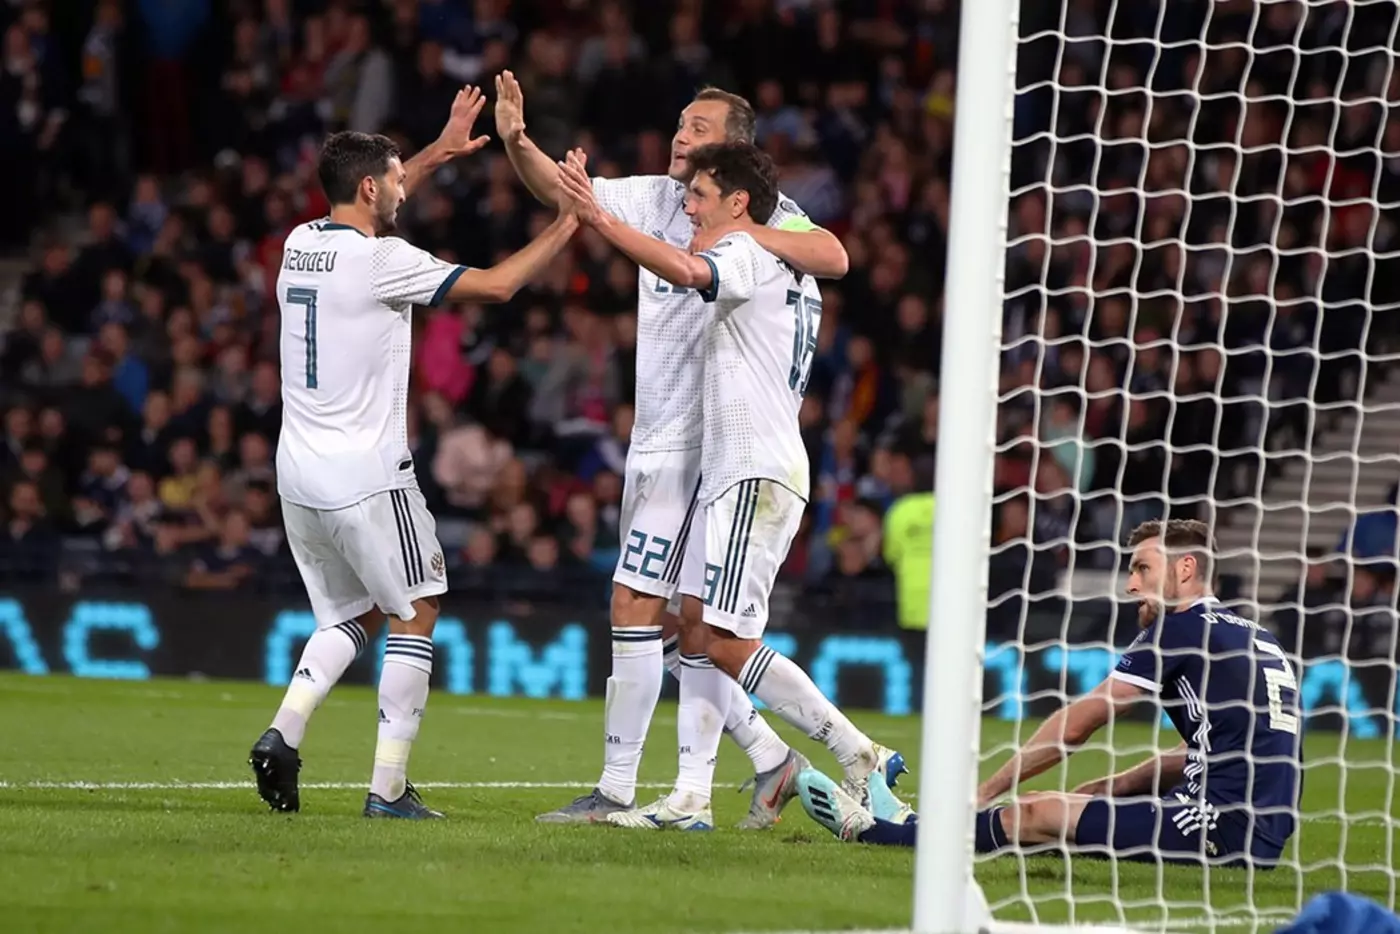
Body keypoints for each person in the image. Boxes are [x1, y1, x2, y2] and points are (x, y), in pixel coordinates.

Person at [496, 71, 857, 828]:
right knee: (674, 622)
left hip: (710, 442)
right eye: (680, 122)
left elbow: (831, 254)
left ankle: (637, 790)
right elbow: (566, 195)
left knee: (660, 611)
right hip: (657, 434)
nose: (679, 134)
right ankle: (764, 760)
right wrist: (518, 142)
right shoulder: (662, 199)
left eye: (697, 127)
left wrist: (744, 234)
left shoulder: (764, 220)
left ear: (731, 153)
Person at [249, 87, 581, 819]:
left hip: (297, 473)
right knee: (420, 604)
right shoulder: (385, 260)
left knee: (355, 613)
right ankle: (389, 789)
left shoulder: (298, 244)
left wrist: (436, 151)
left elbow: (370, 207)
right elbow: (497, 286)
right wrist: (568, 222)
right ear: (371, 188)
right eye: (396, 179)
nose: (406, 188)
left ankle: (284, 733)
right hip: (367, 474)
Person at [557, 141, 905, 830]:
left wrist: (602, 221)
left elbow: (690, 270)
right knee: (702, 629)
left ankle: (859, 752)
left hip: (753, 468)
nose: (686, 205)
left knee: (720, 638)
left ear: (739, 202)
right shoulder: (783, 256)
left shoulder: (746, 250)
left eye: (700, 195)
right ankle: (698, 794)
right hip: (748, 469)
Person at [795, 518, 1303, 869]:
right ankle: (920, 823)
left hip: (1217, 826)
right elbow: (1220, 745)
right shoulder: (1255, 635)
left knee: (1037, 813)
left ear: (1185, 569)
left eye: (1142, 569)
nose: (1131, 585)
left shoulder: (1180, 627)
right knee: (1064, 806)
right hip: (1262, 828)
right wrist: (1119, 784)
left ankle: (881, 833)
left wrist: (984, 792)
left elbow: (1079, 724)